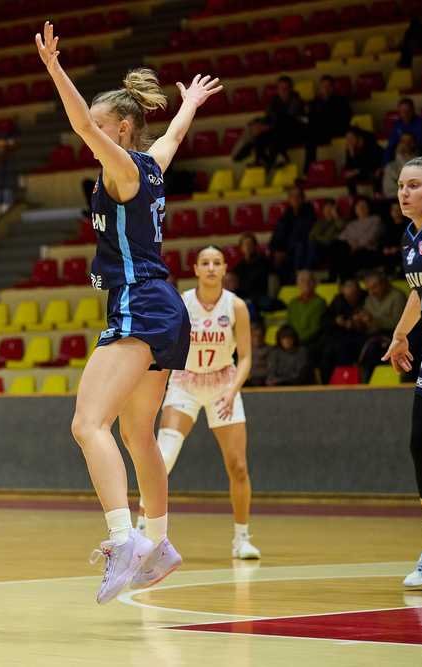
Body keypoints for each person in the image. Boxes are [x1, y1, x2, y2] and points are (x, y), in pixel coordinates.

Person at [37, 21, 222, 602]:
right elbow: (173, 137)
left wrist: (55, 70)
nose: (89, 133)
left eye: (99, 125)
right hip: (164, 307)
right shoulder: (151, 163)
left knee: (87, 425)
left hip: (139, 302)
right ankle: (158, 543)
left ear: (119, 129)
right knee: (138, 434)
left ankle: (123, 540)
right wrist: (189, 104)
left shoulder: (121, 170)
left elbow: (78, 123)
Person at [140, 246, 260, 559]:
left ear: (225, 269)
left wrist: (233, 390)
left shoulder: (236, 306)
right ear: (195, 269)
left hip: (223, 384)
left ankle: (241, 538)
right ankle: (142, 528)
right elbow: (165, 346)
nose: (210, 268)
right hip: (186, 382)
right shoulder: (182, 303)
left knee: (238, 466)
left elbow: (246, 357)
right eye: (204, 263)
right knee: (163, 457)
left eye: (216, 263)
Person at [381, 156, 422, 588]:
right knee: (421, 443)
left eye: (414, 185)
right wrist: (400, 335)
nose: (404, 192)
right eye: (401, 185)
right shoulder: (409, 238)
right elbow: (418, 292)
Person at [358, 271, 407, 381]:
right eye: (369, 289)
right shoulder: (369, 299)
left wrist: (373, 320)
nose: (372, 292)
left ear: (384, 283)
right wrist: (358, 322)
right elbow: (367, 323)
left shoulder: (397, 296)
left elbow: (398, 323)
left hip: (392, 335)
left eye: (374, 287)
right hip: (372, 335)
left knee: (372, 349)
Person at [318, 279, 368, 383]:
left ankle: (347, 380)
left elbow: (368, 320)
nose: (351, 297)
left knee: (343, 349)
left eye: (354, 294)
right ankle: (326, 384)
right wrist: (336, 321)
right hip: (339, 336)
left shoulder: (366, 298)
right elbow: (325, 320)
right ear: (343, 292)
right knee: (326, 350)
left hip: (360, 336)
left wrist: (354, 323)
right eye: (348, 295)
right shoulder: (338, 300)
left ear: (358, 291)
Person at [269, 185, 316, 282]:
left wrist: (285, 250)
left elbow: (302, 234)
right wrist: (277, 250)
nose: (295, 199)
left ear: (303, 199)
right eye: (292, 196)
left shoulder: (309, 213)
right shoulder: (286, 216)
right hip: (287, 250)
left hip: (302, 249)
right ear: (289, 199)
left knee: (300, 247)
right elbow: (277, 235)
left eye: (298, 196)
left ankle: (299, 279)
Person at [329, 198, 383, 280]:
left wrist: (356, 245)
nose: (361, 208)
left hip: (367, 250)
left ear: (369, 207)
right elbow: (342, 237)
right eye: (358, 206)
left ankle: (343, 278)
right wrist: (350, 244)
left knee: (347, 254)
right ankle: (335, 277)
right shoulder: (352, 224)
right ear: (355, 209)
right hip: (349, 248)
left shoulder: (375, 220)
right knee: (336, 246)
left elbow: (371, 237)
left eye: (363, 206)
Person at [305, 75, 352, 169]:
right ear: (320, 88)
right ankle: (309, 169)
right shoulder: (315, 103)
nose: (325, 89)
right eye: (323, 86)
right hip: (320, 131)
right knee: (309, 135)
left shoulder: (341, 101)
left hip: (337, 129)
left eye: (328, 86)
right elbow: (310, 119)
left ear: (332, 87)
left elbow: (346, 118)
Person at [233, 233, 274, 310]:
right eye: (245, 245)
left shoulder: (263, 262)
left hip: (260, 297)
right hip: (244, 298)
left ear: (255, 246)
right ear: (241, 248)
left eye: (250, 244)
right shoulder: (239, 267)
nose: (248, 247)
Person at [286, 270, 326, 348]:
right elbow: (289, 324)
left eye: (309, 280)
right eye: (302, 281)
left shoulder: (320, 302)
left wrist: (298, 340)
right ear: (297, 284)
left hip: (311, 343)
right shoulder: (292, 303)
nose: (306, 283)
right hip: (293, 342)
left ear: (315, 284)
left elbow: (316, 328)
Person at [342, 126, 384, 195]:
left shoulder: (370, 145)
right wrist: (352, 155)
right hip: (362, 171)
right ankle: (354, 197)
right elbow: (349, 167)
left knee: (376, 174)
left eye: (351, 138)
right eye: (347, 138)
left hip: (376, 167)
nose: (349, 141)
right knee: (349, 178)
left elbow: (371, 165)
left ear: (358, 137)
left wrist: (355, 171)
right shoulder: (350, 148)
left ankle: (378, 194)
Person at [307, 201, 346, 270]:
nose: (327, 211)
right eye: (325, 208)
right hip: (317, 245)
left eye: (330, 208)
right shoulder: (319, 222)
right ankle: (307, 268)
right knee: (306, 245)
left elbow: (330, 238)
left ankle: (309, 268)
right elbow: (311, 236)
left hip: (329, 247)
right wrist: (319, 238)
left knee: (313, 245)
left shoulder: (339, 220)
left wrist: (336, 216)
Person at [246, 320, 272, 387]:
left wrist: (252, 374)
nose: (257, 338)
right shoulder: (244, 350)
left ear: (264, 336)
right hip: (247, 382)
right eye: (254, 336)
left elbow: (271, 370)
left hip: (264, 381)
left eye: (260, 336)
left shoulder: (270, 350)